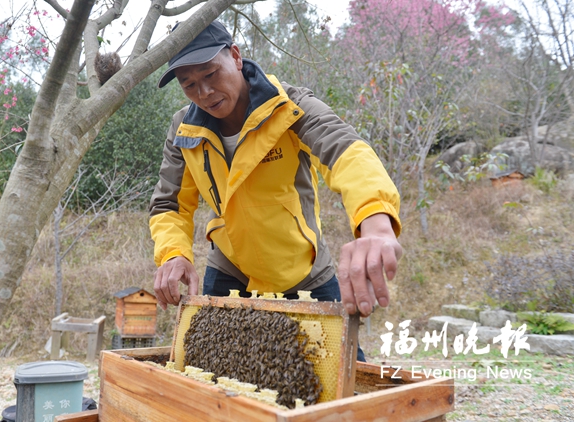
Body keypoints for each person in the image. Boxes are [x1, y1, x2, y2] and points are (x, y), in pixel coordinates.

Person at [149, 20, 402, 360]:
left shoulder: (289, 106)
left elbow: (345, 151)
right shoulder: (184, 129)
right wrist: (173, 254)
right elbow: (170, 204)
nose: (204, 93)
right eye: (189, 84)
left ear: (235, 56)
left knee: (343, 374)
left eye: (210, 75)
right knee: (210, 373)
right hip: (229, 268)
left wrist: (376, 220)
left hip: (304, 269)